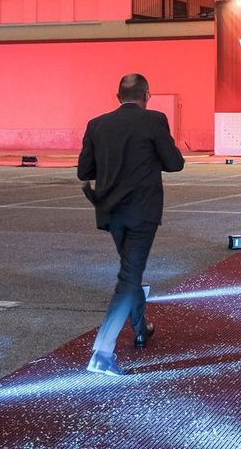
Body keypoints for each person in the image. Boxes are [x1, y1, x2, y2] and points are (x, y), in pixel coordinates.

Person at [77, 73, 185, 377]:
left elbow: (84, 170)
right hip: (142, 212)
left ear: (117, 96)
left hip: (110, 212)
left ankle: (140, 328)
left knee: (130, 271)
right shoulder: (154, 120)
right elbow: (174, 163)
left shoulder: (96, 124)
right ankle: (102, 351)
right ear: (146, 95)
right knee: (129, 276)